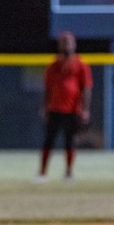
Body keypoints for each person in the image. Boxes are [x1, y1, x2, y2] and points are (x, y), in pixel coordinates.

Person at [35, 31, 93, 181]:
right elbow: (46, 88)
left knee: (70, 142)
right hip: (54, 108)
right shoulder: (53, 65)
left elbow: (86, 87)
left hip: (72, 110)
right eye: (63, 42)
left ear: (74, 45)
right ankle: (42, 173)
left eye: (69, 42)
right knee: (49, 141)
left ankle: (68, 172)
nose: (66, 44)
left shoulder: (81, 64)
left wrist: (85, 109)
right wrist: (44, 106)